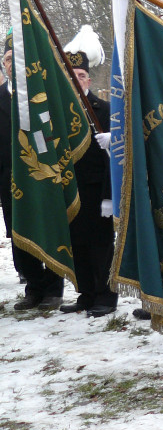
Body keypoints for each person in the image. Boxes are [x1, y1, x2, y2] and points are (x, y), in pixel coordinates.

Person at [2, 32, 64, 310]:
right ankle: (33, 288)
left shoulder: (41, 95)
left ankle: (53, 287)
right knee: (19, 232)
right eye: (6, 59)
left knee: (47, 227)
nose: (10, 63)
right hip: (9, 179)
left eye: (16, 58)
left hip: (42, 174)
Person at [60, 26, 118, 317]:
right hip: (71, 188)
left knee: (100, 245)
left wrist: (110, 196)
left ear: (89, 80)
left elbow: (116, 155)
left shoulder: (105, 109)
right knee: (77, 243)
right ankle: (86, 293)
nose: (77, 80)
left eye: (81, 76)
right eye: (72, 77)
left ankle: (106, 296)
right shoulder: (59, 113)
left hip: (98, 188)